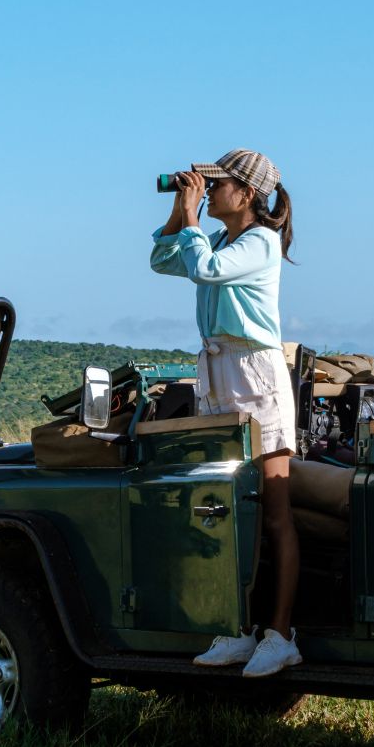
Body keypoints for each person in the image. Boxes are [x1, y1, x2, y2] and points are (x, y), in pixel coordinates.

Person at [150, 149, 300, 678]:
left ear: (248, 194)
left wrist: (191, 217)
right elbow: (163, 261)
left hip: (256, 374)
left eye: (217, 184)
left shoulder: (260, 242)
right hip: (218, 371)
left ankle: (281, 634)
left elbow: (207, 271)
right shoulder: (217, 238)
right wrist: (180, 211)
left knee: (275, 512)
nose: (209, 191)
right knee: (230, 511)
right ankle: (238, 628)